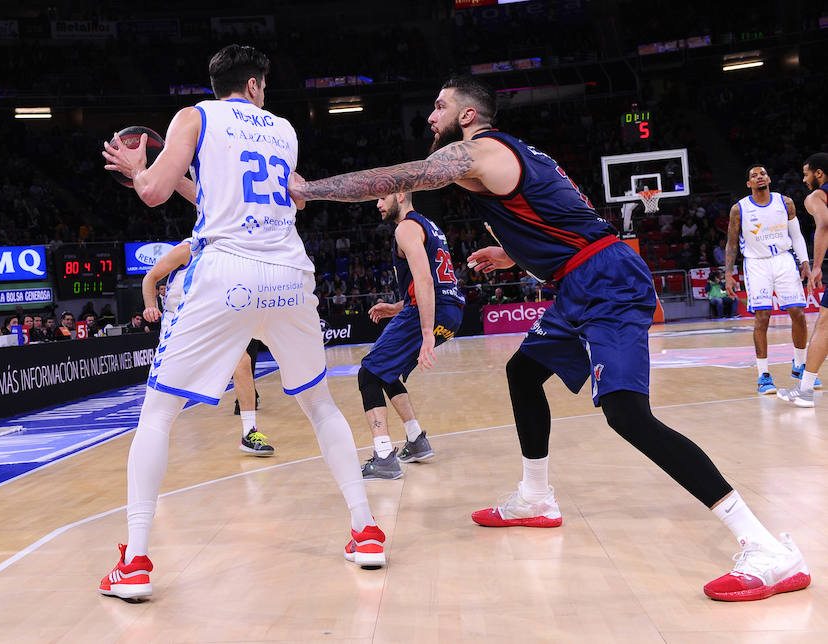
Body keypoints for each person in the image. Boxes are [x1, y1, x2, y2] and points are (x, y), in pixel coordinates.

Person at [288, 76, 810, 602]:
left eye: (439, 105)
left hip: (606, 281)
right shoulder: (517, 160)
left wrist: (309, 190)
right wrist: (512, 255)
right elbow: (563, 217)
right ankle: (536, 498)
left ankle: (766, 548)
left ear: (468, 116)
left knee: (628, 414)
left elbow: (406, 176)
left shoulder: (483, 150)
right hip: (577, 281)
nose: (430, 115)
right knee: (523, 371)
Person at [98, 44, 385, 600]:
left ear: (217, 83)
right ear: (255, 85)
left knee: (157, 414)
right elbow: (289, 200)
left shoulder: (195, 116)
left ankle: (134, 562)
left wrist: (139, 169)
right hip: (288, 273)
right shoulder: (282, 129)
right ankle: (365, 529)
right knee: (320, 403)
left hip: (225, 274)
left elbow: (154, 192)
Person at [358, 192, 464, 479]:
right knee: (386, 373)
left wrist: (427, 332)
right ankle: (416, 440)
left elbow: (425, 280)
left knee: (367, 375)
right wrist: (395, 307)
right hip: (452, 313)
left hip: (431, 312)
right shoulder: (428, 226)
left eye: (382, 197)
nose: (377, 204)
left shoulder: (405, 227)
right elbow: (436, 283)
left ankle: (383, 457)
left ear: (401, 194)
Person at [141, 239, 274, 456]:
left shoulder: (229, 253)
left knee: (243, 362)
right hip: (180, 324)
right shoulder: (186, 249)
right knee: (162, 392)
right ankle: (149, 433)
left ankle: (249, 433)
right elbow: (150, 278)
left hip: (210, 322)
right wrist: (150, 306)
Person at [725, 165, 817, 394]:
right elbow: (731, 243)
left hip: (783, 259)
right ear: (749, 184)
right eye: (754, 176)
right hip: (756, 263)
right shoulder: (739, 209)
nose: (759, 177)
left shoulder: (784, 202)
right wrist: (728, 273)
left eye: (763, 174)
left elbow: (796, 235)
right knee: (762, 317)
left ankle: (800, 364)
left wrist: (805, 262)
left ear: (769, 178)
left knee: (798, 312)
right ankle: (764, 375)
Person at [779, 152, 828, 407]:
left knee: (824, 326)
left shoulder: (816, 196)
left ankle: (806, 390)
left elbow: (824, 224)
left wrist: (817, 265)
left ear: (819, 174)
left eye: (807, 173)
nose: (804, 178)